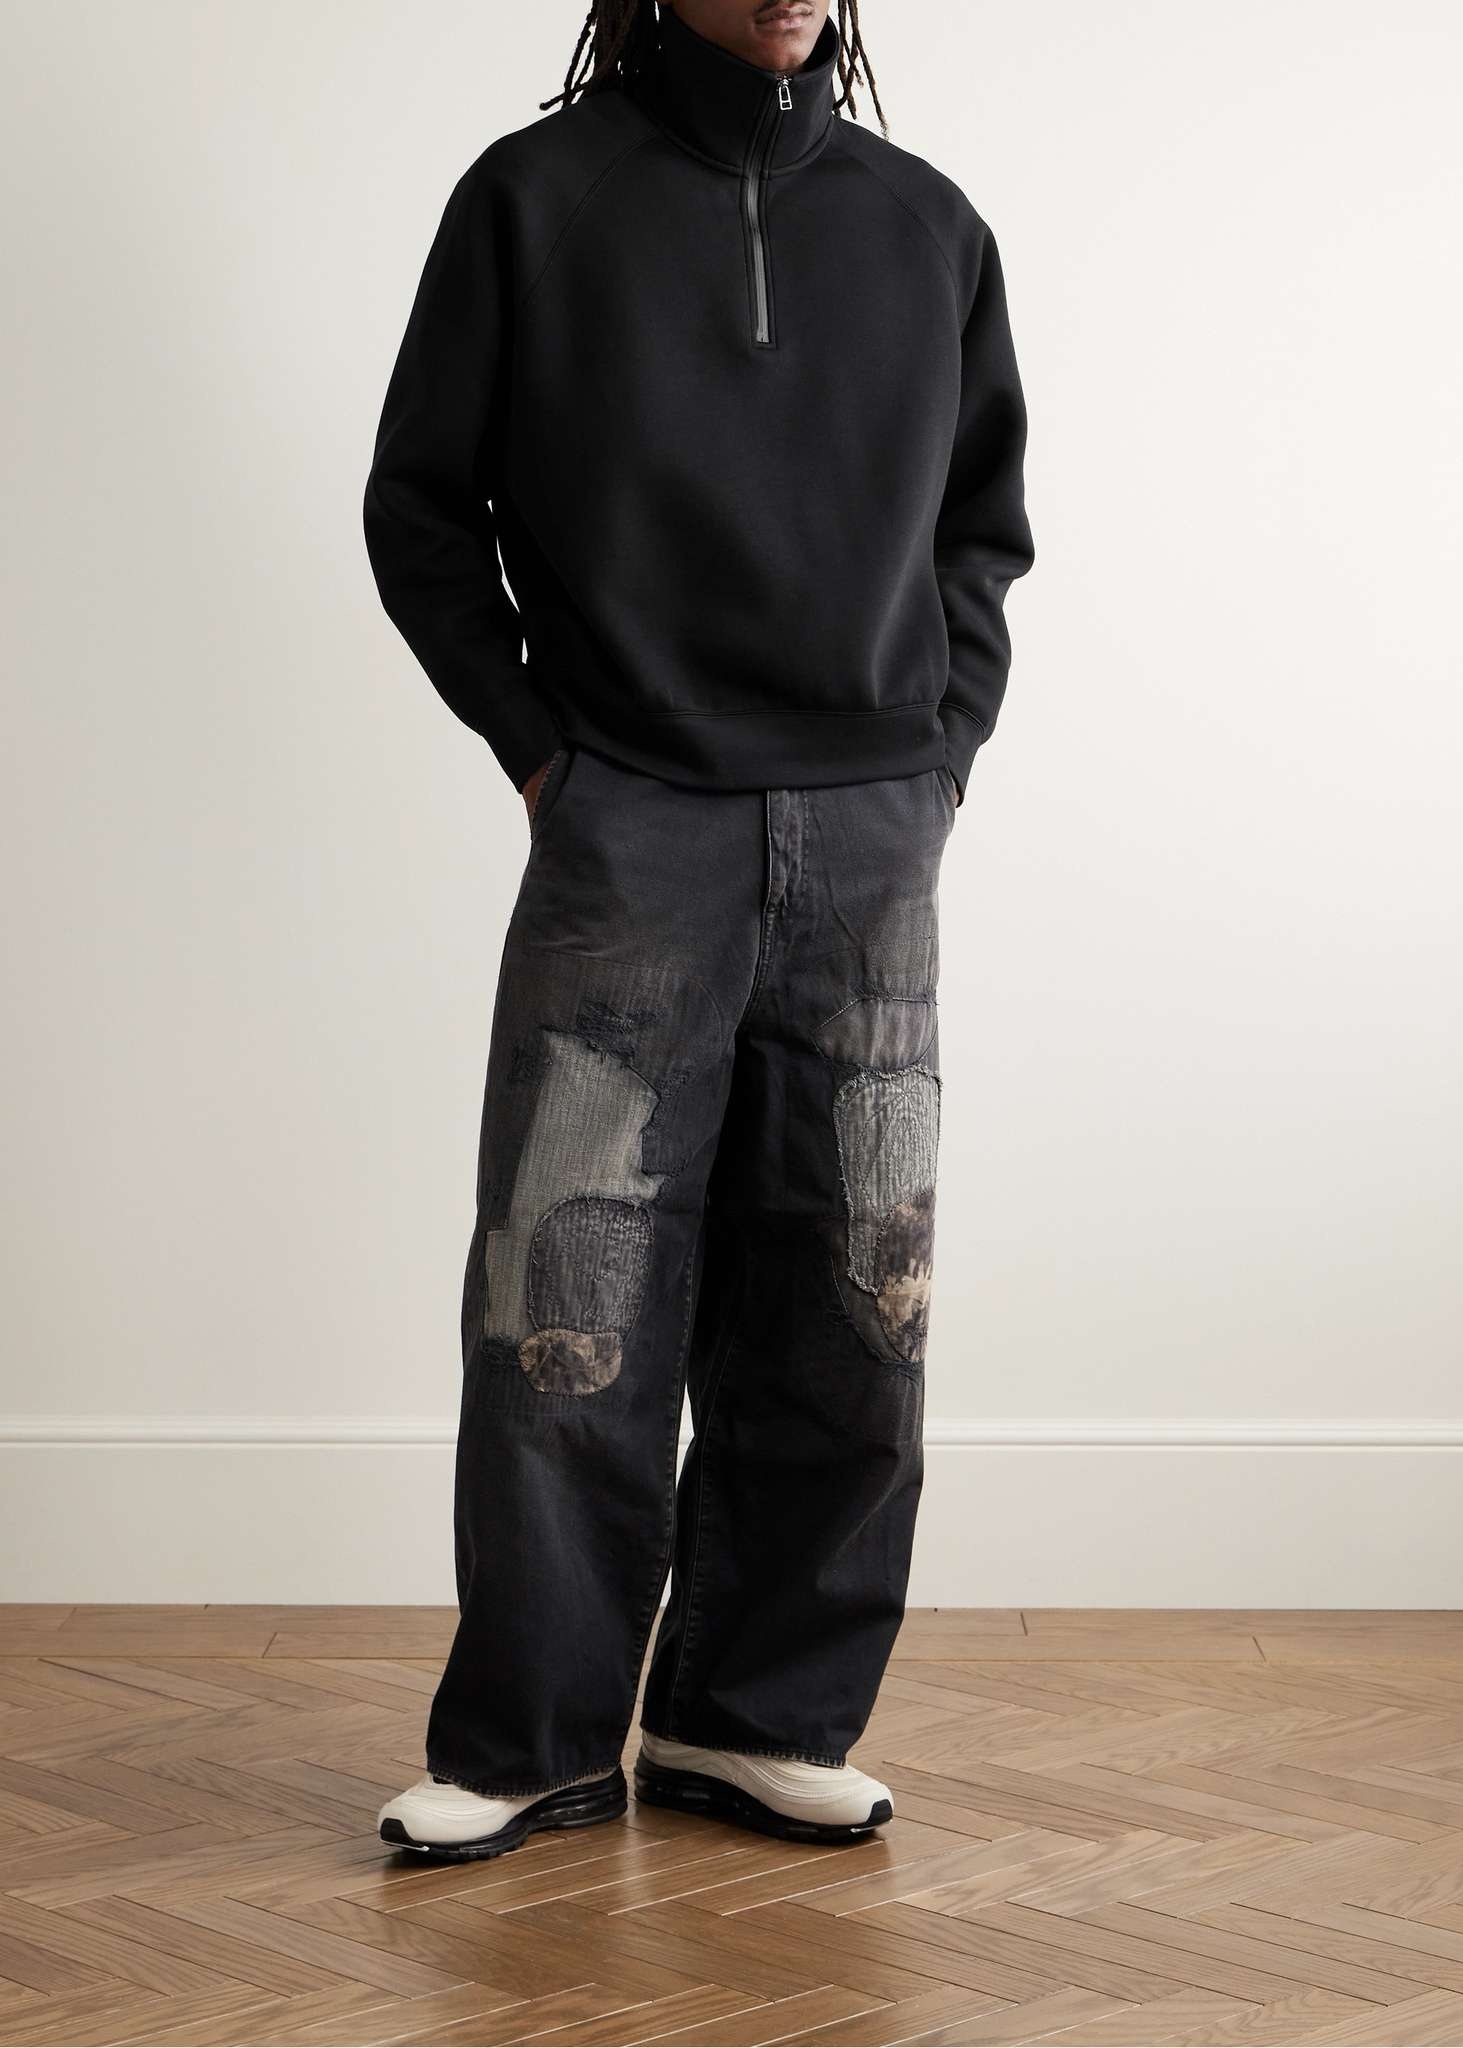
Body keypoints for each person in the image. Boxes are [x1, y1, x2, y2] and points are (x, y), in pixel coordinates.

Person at [363, 0, 1033, 1862]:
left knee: (855, 1291)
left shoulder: (927, 226)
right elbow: (420, 509)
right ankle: (532, 1739)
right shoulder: (534, 200)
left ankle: (758, 1717)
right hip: (630, 819)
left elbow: (983, 534)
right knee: (566, 1291)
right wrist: (541, 750)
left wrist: (938, 761)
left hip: (871, 829)